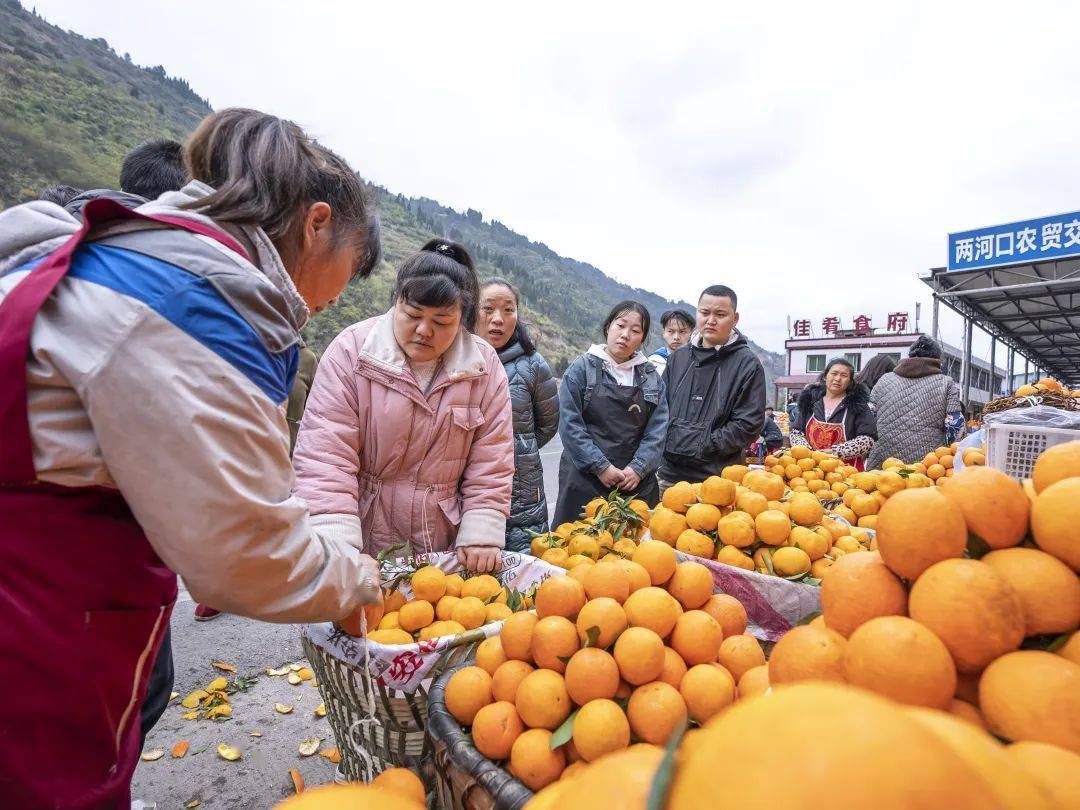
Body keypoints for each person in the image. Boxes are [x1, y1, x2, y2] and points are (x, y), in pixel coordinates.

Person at [0, 108, 383, 807]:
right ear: (317, 224)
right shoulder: (194, 300)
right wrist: (356, 581)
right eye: (349, 272)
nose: (331, 301)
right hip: (27, 623)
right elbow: (243, 551)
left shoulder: (130, 248)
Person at [293, 240, 514, 571]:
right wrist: (335, 540)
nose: (424, 331)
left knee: (441, 619)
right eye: (412, 315)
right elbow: (326, 456)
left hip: (443, 542)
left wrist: (482, 533)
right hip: (363, 538)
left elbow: (491, 460)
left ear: (462, 317)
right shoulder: (352, 352)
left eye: (441, 321)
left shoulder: (483, 367)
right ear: (396, 302)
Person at [554, 301, 668, 525]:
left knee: (634, 552)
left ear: (642, 339)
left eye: (635, 331)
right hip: (584, 479)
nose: (625, 335)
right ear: (608, 327)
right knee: (578, 547)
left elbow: (658, 430)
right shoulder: (581, 370)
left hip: (634, 483)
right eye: (621, 325)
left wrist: (637, 469)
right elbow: (570, 425)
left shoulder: (651, 377)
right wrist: (601, 467)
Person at [475, 277, 559, 553]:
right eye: (488, 308)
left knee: (525, 574)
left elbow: (546, 426)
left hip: (522, 492)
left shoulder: (533, 365)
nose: (498, 319)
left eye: (508, 310)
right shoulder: (456, 359)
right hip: (469, 490)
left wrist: (516, 449)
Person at [658, 285, 766, 488]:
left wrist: (703, 444)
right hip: (669, 475)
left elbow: (748, 424)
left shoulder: (747, 364)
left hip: (718, 480)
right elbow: (660, 409)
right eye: (704, 313)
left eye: (720, 314)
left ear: (735, 319)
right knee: (665, 520)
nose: (711, 320)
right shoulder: (678, 358)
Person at [867, 336, 965, 470]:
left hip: (883, 459)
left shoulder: (885, 379)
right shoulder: (946, 382)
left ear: (910, 355)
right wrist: (947, 452)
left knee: (879, 489)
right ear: (938, 359)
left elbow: (869, 418)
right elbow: (955, 425)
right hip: (926, 463)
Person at [790, 358, 877, 469]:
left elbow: (868, 439)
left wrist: (835, 452)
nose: (837, 379)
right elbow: (796, 431)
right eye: (834, 373)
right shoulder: (810, 402)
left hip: (846, 471)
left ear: (850, 381)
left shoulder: (858, 406)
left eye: (844, 375)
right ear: (825, 376)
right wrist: (806, 452)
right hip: (810, 468)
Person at [648, 308, 694, 375]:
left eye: (682, 332)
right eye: (671, 331)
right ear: (663, 332)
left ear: (691, 334)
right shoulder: (653, 363)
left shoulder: (697, 363)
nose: (676, 337)